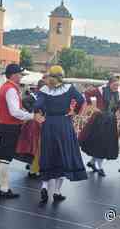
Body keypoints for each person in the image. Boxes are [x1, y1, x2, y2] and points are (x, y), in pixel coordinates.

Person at [34, 65, 87, 204]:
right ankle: (57, 192)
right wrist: (74, 111)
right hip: (64, 123)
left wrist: (40, 113)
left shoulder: (44, 90)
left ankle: (44, 186)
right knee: (63, 155)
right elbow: (81, 100)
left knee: (47, 154)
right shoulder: (69, 88)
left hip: (49, 123)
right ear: (61, 76)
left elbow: (37, 105)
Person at [0, 64, 34, 199]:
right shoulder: (11, 89)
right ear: (13, 75)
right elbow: (14, 112)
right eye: (20, 74)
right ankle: (4, 189)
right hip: (10, 127)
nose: (21, 76)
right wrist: (32, 116)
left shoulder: (5, 87)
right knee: (5, 158)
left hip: (3, 125)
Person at [80, 76, 120, 177]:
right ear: (109, 83)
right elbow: (87, 94)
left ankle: (93, 162)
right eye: (115, 85)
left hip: (110, 121)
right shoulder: (101, 90)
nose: (116, 87)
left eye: (117, 85)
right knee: (100, 144)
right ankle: (100, 167)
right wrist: (94, 107)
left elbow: (116, 107)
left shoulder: (116, 93)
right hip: (100, 121)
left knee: (104, 145)